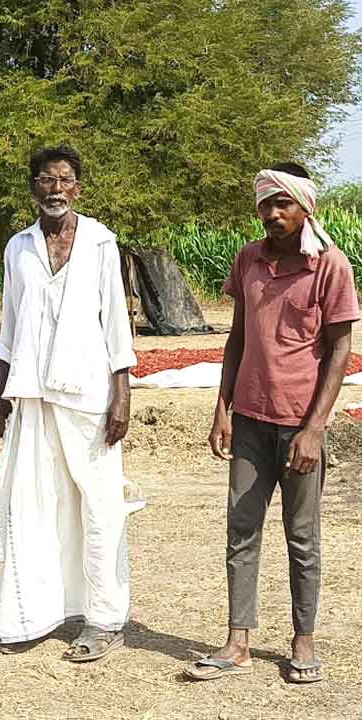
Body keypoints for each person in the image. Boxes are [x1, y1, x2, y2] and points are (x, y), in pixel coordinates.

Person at [186, 163, 358, 683]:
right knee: (241, 529)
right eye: (266, 203)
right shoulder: (249, 259)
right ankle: (238, 641)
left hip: (300, 424)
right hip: (250, 421)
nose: (273, 212)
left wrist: (315, 428)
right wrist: (222, 408)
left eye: (283, 203)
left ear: (305, 207)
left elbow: (340, 350)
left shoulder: (330, 265)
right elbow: (238, 337)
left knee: (301, 536)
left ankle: (303, 639)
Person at [0, 145, 137, 662]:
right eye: (45, 180)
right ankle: (32, 616)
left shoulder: (100, 242)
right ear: (33, 186)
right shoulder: (19, 247)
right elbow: (10, 325)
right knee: (31, 505)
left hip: (89, 394)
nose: (55, 189)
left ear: (77, 187)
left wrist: (122, 395)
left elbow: (115, 322)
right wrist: (1, 392)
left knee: (99, 507)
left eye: (64, 180)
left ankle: (105, 619)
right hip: (32, 393)